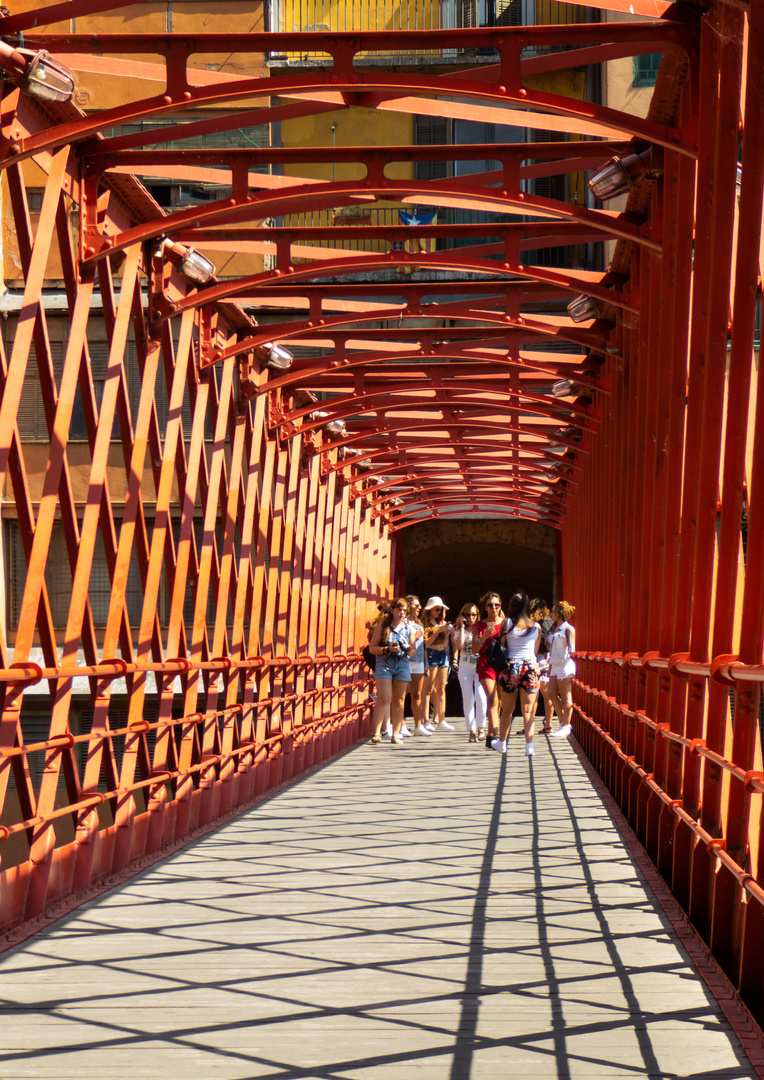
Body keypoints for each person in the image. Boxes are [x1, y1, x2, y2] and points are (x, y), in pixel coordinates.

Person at [491, 592, 541, 757]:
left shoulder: (507, 624)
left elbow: (502, 645)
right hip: (530, 668)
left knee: (506, 710)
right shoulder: (536, 627)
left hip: (512, 667)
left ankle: (502, 743)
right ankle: (529, 746)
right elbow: (534, 651)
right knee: (528, 710)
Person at [368, 598, 416, 745]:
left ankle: (396, 734)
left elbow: (413, 651)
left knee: (399, 701)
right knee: (384, 698)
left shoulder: (409, 628)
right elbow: (372, 648)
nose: (402, 612)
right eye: (399, 609)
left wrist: (408, 649)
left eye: (404, 610)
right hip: (385, 663)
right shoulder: (382, 627)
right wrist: (387, 649)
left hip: (402, 664)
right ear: (392, 610)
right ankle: (377, 733)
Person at [471, 591, 506, 744]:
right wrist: (483, 637)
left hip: (502, 662)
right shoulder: (479, 625)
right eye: (490, 605)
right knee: (492, 699)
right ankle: (496, 736)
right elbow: (474, 650)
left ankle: (491, 734)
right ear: (485, 607)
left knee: (500, 701)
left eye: (497, 605)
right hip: (486, 662)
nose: (494, 608)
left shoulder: (505, 623)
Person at [451, 602, 487, 743]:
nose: (471, 617)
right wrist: (462, 627)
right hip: (465, 666)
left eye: (473, 614)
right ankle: (471, 730)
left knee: (481, 697)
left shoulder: (481, 628)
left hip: (479, 667)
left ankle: (481, 728)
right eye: (467, 615)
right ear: (463, 616)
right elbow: (459, 646)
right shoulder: (460, 630)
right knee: (468, 698)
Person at [421, 596, 454, 732]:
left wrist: (446, 633)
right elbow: (425, 644)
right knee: (428, 689)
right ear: (430, 610)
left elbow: (446, 644)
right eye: (436, 610)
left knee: (441, 688)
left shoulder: (441, 622)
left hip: (442, 654)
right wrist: (437, 632)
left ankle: (441, 719)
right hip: (431, 655)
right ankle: (426, 720)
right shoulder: (425, 624)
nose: (439, 612)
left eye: (440, 610)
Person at [547, 601, 576, 738]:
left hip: (565, 664)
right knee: (551, 693)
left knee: (566, 697)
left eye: (553, 612)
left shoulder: (568, 629)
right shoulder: (554, 628)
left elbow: (572, 650)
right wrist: (550, 666)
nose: (551, 614)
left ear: (558, 613)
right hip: (554, 665)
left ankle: (565, 726)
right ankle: (564, 722)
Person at [406, 594, 430, 737]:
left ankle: (418, 725)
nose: (419, 608)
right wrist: (416, 635)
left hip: (419, 662)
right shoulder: (404, 623)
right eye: (416, 605)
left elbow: (424, 646)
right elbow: (406, 643)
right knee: (402, 694)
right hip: (406, 661)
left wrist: (426, 662)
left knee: (417, 694)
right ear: (409, 607)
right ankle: (401, 724)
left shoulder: (419, 624)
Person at [530, 598, 556, 734]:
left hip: (540, 658)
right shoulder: (551, 622)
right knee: (546, 694)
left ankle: (531, 725)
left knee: (534, 693)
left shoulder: (538, 623)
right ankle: (548, 724)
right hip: (547, 658)